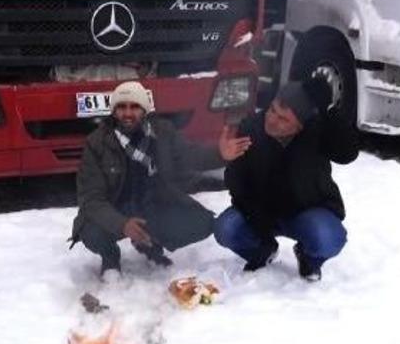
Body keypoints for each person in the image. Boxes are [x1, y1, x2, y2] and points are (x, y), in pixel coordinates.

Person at [71, 81, 252, 278]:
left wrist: (220, 154)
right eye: (121, 107)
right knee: (91, 232)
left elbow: (190, 155)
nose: (128, 113)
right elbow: (91, 199)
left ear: (145, 109)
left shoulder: (163, 131)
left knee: (202, 223)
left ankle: (151, 245)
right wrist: (121, 224)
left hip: (153, 205)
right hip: (115, 209)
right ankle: (110, 256)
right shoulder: (97, 142)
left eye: (135, 107)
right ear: (114, 111)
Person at [214, 77, 359, 282]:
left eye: (283, 118)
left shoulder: (316, 132)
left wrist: (328, 113)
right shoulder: (251, 129)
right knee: (226, 228)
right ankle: (262, 251)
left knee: (328, 237)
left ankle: (309, 258)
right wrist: (228, 160)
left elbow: (347, 153)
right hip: (261, 212)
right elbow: (237, 182)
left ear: (300, 126)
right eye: (272, 110)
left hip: (306, 212)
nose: (271, 119)